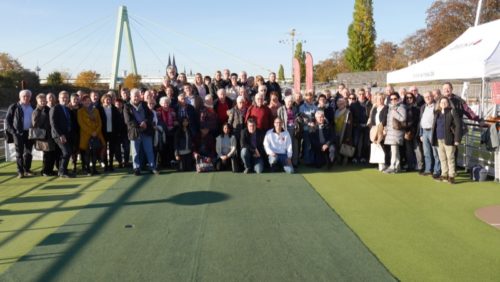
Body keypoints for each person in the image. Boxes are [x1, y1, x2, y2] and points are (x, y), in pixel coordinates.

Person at [123, 88, 159, 176]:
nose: (136, 98)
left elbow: (150, 115)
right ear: (131, 96)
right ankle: (136, 168)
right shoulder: (127, 106)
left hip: (146, 131)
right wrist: (139, 125)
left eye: (138, 96)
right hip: (135, 132)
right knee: (135, 152)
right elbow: (128, 120)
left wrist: (145, 122)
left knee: (149, 150)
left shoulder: (144, 104)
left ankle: (152, 167)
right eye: (135, 96)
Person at [432, 97, 461, 184]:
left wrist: (457, 139)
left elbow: (458, 126)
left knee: (450, 158)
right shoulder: (437, 113)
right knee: (442, 158)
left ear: (448, 103)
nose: (443, 104)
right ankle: (444, 174)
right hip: (439, 139)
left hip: (449, 139)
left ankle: (451, 176)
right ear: (439, 104)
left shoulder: (452, 111)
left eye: (445, 102)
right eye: (441, 102)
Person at [5, 89, 35, 178]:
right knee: (19, 153)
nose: (26, 98)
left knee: (28, 152)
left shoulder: (33, 106)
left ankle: (27, 169)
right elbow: (7, 120)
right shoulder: (14, 107)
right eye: (24, 96)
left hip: (29, 133)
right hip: (18, 133)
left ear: (30, 97)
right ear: (20, 97)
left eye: (28, 96)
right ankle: (20, 171)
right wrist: (13, 132)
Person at [77, 95, 106, 176]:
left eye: (88, 100)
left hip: (96, 135)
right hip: (86, 135)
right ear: (82, 102)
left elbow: (100, 122)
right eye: (85, 100)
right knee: (87, 153)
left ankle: (94, 168)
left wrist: (96, 132)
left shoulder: (96, 110)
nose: (87, 102)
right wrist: (91, 132)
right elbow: (81, 124)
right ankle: (88, 169)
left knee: (95, 152)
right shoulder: (80, 111)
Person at [50, 91, 75, 178]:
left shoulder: (67, 109)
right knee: (66, 152)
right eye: (63, 97)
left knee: (66, 152)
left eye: (67, 97)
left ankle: (62, 170)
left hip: (67, 134)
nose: (65, 99)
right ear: (59, 98)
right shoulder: (55, 108)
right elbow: (53, 123)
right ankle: (62, 171)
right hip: (59, 135)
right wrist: (60, 135)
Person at [32, 93, 57, 176]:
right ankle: (45, 171)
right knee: (46, 154)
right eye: (41, 100)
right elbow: (35, 124)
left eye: (44, 100)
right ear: (37, 101)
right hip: (43, 136)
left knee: (52, 153)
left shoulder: (48, 109)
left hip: (50, 135)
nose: (43, 102)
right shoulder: (36, 111)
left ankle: (50, 169)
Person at [419, 91, 441, 179]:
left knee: (435, 153)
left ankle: (437, 171)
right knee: (427, 152)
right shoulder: (423, 107)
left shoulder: (437, 106)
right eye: (425, 97)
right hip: (424, 131)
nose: (427, 98)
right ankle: (428, 170)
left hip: (433, 131)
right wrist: (421, 133)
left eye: (429, 96)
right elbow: (421, 120)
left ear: (432, 97)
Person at [383, 93, 406, 174]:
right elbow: (389, 121)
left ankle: (393, 166)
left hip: (397, 132)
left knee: (394, 150)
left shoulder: (401, 107)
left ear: (399, 99)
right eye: (391, 99)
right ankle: (397, 166)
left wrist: (394, 112)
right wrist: (385, 128)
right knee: (394, 150)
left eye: (395, 98)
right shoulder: (390, 108)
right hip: (390, 132)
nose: (393, 100)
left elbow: (403, 119)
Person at [277, 95, 301, 168]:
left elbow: (298, 117)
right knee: (285, 146)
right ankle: (285, 162)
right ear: (285, 101)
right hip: (285, 130)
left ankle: (295, 162)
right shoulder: (280, 109)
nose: (289, 103)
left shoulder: (295, 108)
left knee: (295, 146)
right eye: (288, 101)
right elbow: (279, 120)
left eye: (291, 101)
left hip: (294, 129)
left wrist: (297, 120)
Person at [99, 93, 121, 172]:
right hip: (103, 132)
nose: (108, 101)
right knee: (104, 148)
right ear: (103, 100)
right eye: (107, 99)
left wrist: (117, 131)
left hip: (112, 132)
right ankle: (106, 165)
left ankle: (111, 165)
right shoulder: (100, 109)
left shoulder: (114, 108)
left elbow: (118, 121)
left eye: (110, 100)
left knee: (112, 149)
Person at [368, 92, 388, 172]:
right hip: (375, 128)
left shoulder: (386, 108)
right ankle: (380, 164)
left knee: (382, 146)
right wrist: (373, 128)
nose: (380, 100)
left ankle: (383, 164)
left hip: (382, 129)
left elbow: (384, 118)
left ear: (384, 99)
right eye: (378, 99)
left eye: (381, 99)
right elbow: (372, 119)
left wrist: (381, 127)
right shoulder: (375, 108)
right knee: (376, 145)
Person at [403, 93, 423, 172]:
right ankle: (410, 165)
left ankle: (420, 165)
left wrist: (408, 126)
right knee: (408, 150)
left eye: (410, 97)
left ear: (413, 98)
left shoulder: (417, 108)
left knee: (417, 149)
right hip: (406, 131)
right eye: (407, 98)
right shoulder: (403, 108)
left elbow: (417, 120)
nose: (409, 99)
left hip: (415, 131)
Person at [157, 96, 178, 167]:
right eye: (164, 103)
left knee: (171, 146)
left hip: (171, 130)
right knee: (163, 146)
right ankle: (164, 161)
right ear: (161, 103)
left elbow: (175, 119)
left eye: (167, 102)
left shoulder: (172, 110)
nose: (166, 104)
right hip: (163, 131)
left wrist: (175, 122)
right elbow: (158, 121)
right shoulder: (158, 111)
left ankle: (172, 160)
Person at [299, 90, 318, 165]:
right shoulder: (302, 107)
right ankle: (307, 161)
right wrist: (309, 123)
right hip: (306, 129)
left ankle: (312, 160)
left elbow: (317, 118)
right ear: (305, 98)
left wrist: (315, 123)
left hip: (314, 129)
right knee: (307, 145)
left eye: (311, 98)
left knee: (313, 145)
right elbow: (302, 119)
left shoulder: (315, 107)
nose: (309, 99)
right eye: (308, 98)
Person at [334, 98, 353, 165]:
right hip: (337, 131)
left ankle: (345, 159)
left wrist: (348, 136)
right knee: (337, 145)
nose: (340, 105)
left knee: (345, 145)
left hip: (344, 132)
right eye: (339, 104)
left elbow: (349, 125)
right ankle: (338, 159)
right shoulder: (336, 111)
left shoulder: (348, 112)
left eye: (342, 103)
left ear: (345, 104)